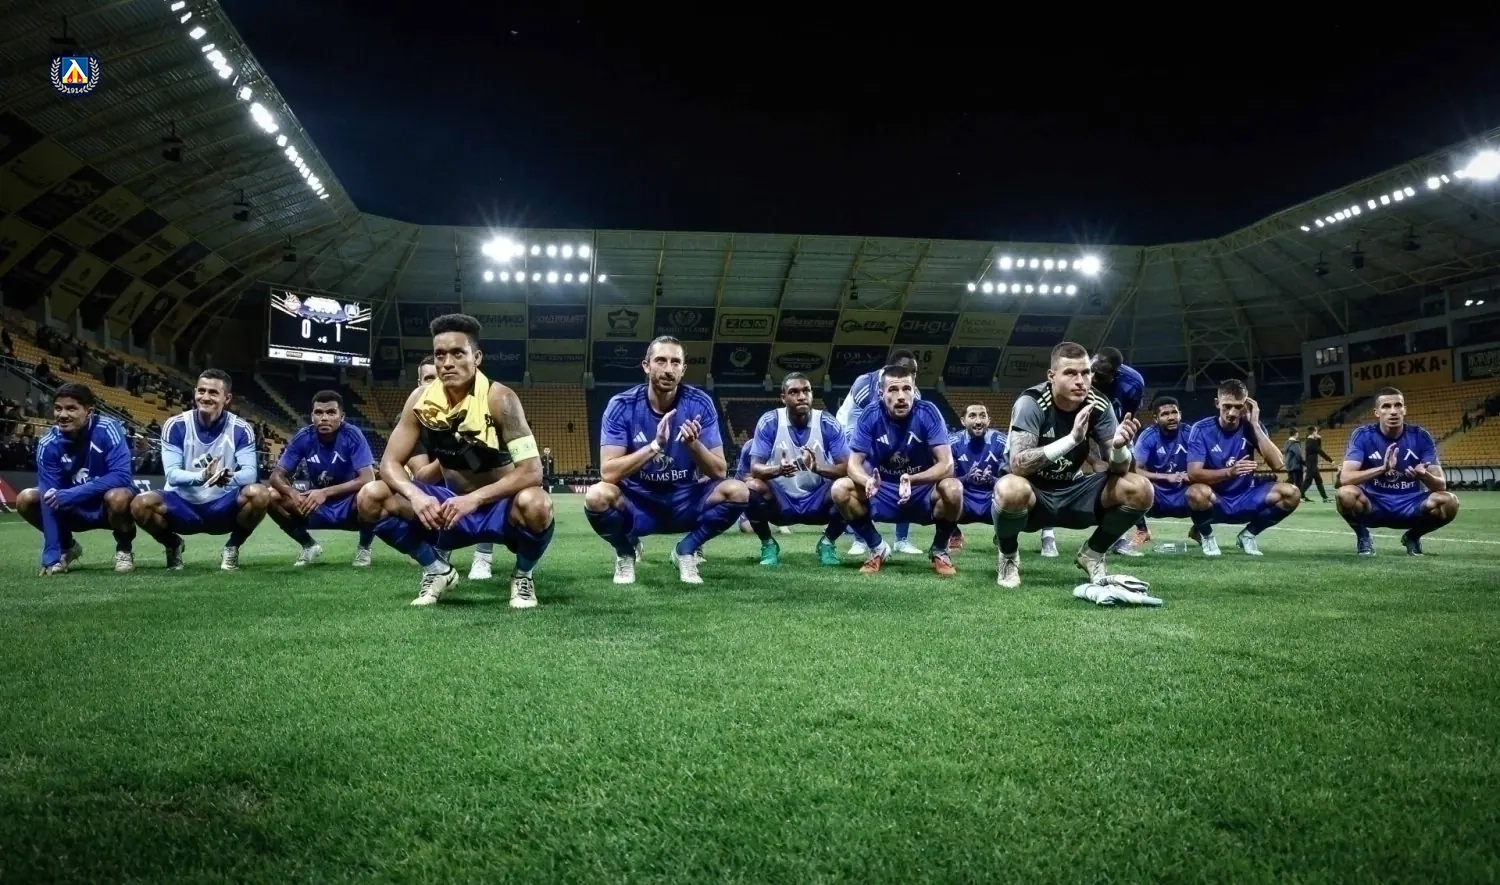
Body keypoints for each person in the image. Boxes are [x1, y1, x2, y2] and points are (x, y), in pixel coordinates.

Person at [358, 313, 555, 607]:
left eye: (457, 353)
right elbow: (388, 464)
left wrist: (474, 499)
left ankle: (523, 576)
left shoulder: (501, 399)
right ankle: (436, 570)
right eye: (440, 355)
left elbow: (532, 472)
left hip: (499, 508)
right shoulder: (420, 400)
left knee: (537, 503)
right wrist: (415, 496)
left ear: (476, 357)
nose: (447, 362)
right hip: (448, 508)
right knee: (371, 495)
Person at [584, 336, 747, 585]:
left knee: (738, 491)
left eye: (675, 362)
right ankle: (625, 552)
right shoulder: (622, 405)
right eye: (661, 361)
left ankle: (686, 550)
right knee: (596, 496)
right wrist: (655, 446)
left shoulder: (700, 404)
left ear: (683, 369)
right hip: (638, 501)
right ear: (646, 365)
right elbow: (608, 473)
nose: (668, 369)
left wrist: (693, 445)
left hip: (684, 499)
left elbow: (719, 471)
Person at [992, 341, 1151, 588]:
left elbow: (1121, 470)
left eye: (1086, 373)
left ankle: (1093, 554)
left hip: (1073, 490)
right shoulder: (1032, 402)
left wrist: (1119, 448)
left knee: (1140, 489)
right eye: (1070, 373)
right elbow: (1019, 466)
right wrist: (1072, 440)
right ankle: (1009, 556)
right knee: (1010, 488)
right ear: (1051, 376)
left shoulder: (1099, 404)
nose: (1081, 381)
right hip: (1033, 493)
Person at [130, 369, 271, 571]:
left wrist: (227, 478)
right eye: (201, 391)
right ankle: (173, 545)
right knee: (140, 504)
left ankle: (232, 547)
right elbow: (172, 475)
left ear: (227, 398)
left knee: (260, 494)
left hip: (222, 506)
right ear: (195, 391)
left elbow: (250, 473)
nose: (205, 397)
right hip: (182, 506)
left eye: (213, 392)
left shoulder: (241, 428)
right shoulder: (175, 425)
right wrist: (203, 476)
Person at [831, 363, 963, 575]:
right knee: (840, 489)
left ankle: (940, 549)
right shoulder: (870, 414)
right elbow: (853, 464)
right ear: (881, 394)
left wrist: (912, 479)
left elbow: (947, 465)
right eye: (893, 389)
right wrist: (867, 481)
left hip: (921, 490)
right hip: (882, 489)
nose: (901, 396)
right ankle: (877, 547)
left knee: (953, 488)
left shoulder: (928, 412)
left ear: (914, 391)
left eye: (906, 389)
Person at [16, 383, 137, 574]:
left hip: (106, 508)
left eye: (71, 408)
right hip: (73, 509)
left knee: (119, 496)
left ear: (89, 412)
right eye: (58, 408)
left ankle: (124, 549)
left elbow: (121, 475)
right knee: (26, 498)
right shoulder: (48, 444)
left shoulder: (108, 428)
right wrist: (51, 553)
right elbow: (48, 498)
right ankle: (66, 547)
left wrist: (72, 494)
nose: (62, 415)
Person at [402, 356, 498, 581]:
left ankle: (483, 556)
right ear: (419, 383)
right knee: (385, 492)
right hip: (433, 491)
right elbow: (422, 477)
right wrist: (451, 450)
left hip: (470, 487)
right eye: (428, 379)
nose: (436, 383)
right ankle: (441, 548)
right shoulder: (413, 417)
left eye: (439, 377)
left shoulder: (475, 409)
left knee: (485, 480)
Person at [1335, 387, 1459, 555]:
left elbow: (1441, 484)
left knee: (1449, 502)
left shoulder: (1420, 436)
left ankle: (1413, 537)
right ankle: (1363, 536)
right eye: (1386, 406)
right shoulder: (1363, 435)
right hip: (1375, 504)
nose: (1393, 411)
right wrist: (1383, 468)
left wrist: (1425, 475)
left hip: (1411, 505)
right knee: (1345, 494)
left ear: (1404, 410)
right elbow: (1345, 479)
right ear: (1377, 412)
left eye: (1398, 405)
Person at [743, 372, 849, 566]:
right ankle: (768, 544)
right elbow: (755, 469)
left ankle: (827, 543)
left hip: (818, 500)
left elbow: (846, 468)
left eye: (806, 391)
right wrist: (779, 469)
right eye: (794, 392)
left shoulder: (827, 423)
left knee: (848, 486)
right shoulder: (770, 421)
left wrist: (818, 468)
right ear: (783, 397)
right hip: (781, 501)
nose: (801, 396)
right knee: (751, 486)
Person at [1184, 379, 1301, 556]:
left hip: (1247, 496)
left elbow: (1278, 464)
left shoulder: (1251, 427)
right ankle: (1207, 536)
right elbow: (1193, 474)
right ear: (1217, 403)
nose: (1232, 412)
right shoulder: (1201, 429)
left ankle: (1248, 535)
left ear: (1246, 406)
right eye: (1227, 406)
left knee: (1292, 493)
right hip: (1216, 499)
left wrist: (1255, 425)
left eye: (1238, 407)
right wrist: (1229, 472)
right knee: (1195, 493)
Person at [266, 390, 378, 566]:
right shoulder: (304, 436)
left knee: (373, 492)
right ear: (312, 417)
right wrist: (293, 493)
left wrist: (325, 492)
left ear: (342, 417)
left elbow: (368, 478)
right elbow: (276, 476)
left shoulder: (352, 435)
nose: (324, 418)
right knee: (271, 495)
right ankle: (308, 545)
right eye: (319, 413)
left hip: (350, 505)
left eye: (331, 412)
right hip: (315, 505)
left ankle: (364, 548)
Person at [835, 349, 923, 557]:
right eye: (908, 370)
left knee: (905, 469)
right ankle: (861, 540)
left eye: (915, 372)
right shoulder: (865, 384)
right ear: (891, 368)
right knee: (862, 474)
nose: (912, 376)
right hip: (852, 429)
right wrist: (863, 452)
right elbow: (854, 422)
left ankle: (901, 540)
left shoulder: (914, 392)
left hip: (887, 435)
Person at [947, 403, 1006, 552]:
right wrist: (967, 478)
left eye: (982, 416)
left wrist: (992, 480)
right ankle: (953, 533)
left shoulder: (1002, 442)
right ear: (963, 421)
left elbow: (1012, 482)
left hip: (992, 499)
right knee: (942, 490)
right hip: (964, 499)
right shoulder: (952, 442)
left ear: (989, 420)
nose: (978, 421)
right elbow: (945, 481)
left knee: (1016, 491)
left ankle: (1004, 534)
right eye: (972, 416)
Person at [1132, 395, 1193, 525]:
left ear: (1180, 415)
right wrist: (1166, 477)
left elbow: (1205, 464)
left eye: (1174, 412)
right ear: (1156, 418)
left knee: (1205, 487)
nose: (1171, 417)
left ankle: (1200, 530)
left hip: (1184, 488)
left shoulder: (1190, 433)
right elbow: (1136, 470)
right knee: (1132, 486)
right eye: (1165, 414)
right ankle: (1142, 531)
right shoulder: (1148, 437)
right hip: (1157, 491)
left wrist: (1192, 475)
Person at [1300, 425, 1333, 502]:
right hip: (1311, 464)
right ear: (1314, 432)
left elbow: (1318, 448)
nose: (1317, 433)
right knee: (1308, 481)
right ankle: (1299, 496)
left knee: (1318, 480)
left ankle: (1325, 498)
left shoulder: (1311, 440)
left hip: (1313, 464)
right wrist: (1330, 460)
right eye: (1316, 431)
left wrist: (1319, 439)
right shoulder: (1310, 441)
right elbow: (1319, 451)